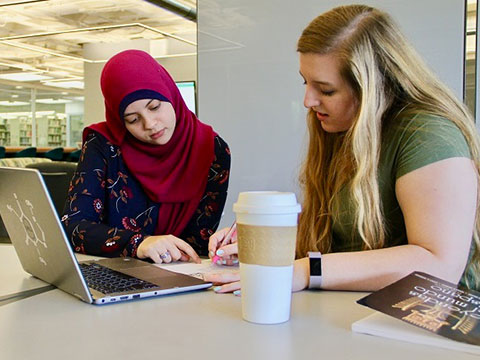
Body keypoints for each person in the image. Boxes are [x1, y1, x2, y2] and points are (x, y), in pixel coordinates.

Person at [207, 4, 480, 293]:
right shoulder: (342, 127)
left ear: (373, 87)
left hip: (427, 323)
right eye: (305, 82)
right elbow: (338, 235)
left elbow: (438, 264)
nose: (308, 101)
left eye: (326, 90)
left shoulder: (428, 135)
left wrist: (304, 271)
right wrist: (261, 244)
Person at [61, 49, 230, 264]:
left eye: (155, 107)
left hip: (180, 274)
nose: (150, 124)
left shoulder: (211, 150)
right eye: (132, 119)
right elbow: (73, 226)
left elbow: (198, 242)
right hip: (114, 270)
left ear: (170, 94)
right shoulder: (104, 145)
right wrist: (138, 242)